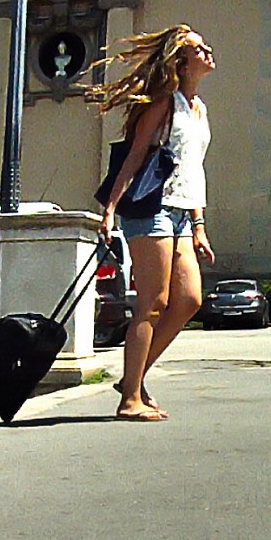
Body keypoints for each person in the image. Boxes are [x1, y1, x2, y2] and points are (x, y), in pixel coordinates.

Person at [88, 25, 216, 422]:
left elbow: (193, 169)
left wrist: (198, 224)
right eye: (199, 48)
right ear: (181, 61)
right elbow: (134, 156)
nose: (208, 51)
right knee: (153, 302)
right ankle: (130, 398)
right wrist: (110, 208)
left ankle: (133, 378)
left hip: (182, 212)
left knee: (189, 300)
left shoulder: (199, 108)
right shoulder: (164, 103)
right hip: (151, 208)